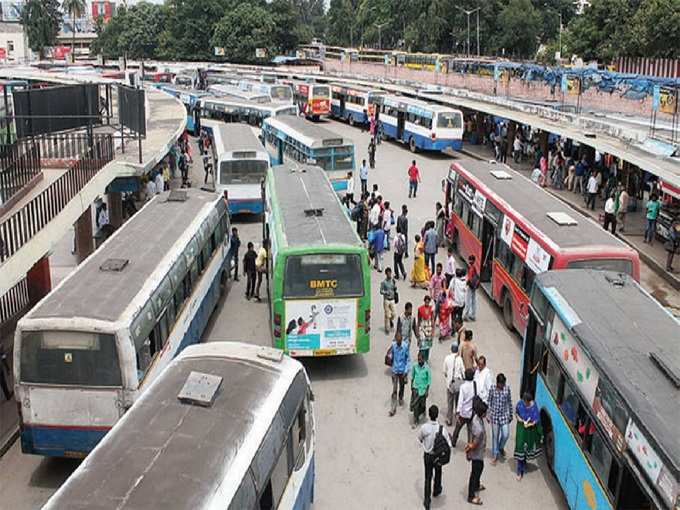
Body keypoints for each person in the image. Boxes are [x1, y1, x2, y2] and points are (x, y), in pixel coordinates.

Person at [417, 405, 451, 510]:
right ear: (437, 416)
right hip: (437, 455)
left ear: (429, 414)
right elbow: (448, 444)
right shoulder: (442, 429)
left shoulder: (424, 428)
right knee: (438, 472)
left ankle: (427, 501)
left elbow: (419, 439)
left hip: (427, 456)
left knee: (427, 477)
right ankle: (436, 490)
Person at [514, 392, 543, 481]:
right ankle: (519, 471)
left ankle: (524, 462)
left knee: (526, 450)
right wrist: (519, 418)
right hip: (521, 431)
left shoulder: (534, 407)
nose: (524, 403)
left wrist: (532, 423)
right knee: (520, 449)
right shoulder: (520, 404)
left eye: (526, 402)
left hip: (530, 432)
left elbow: (537, 420)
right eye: (524, 401)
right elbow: (516, 413)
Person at [465, 400, 488, 505]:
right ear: (482, 414)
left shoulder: (476, 418)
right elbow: (474, 444)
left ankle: (477, 485)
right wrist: (469, 448)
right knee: (475, 472)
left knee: (479, 468)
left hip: (479, 452)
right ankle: (471, 496)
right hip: (477, 453)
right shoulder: (479, 430)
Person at [488, 373, 513, 465]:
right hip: (494, 416)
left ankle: (501, 447)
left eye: (503, 384)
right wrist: (488, 414)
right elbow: (489, 401)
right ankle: (495, 455)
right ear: (497, 383)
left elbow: (509, 402)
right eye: (501, 384)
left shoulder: (507, 389)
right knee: (495, 436)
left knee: (506, 434)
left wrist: (510, 414)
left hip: (504, 416)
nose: (502, 386)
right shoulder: (492, 389)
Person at [451, 368, 475, 447]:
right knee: (470, 430)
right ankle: (469, 444)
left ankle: (453, 442)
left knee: (457, 428)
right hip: (471, 412)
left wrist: (457, 412)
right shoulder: (475, 385)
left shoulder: (463, 387)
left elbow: (460, 401)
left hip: (463, 413)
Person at [389, 330, 410, 417]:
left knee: (402, 386)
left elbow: (408, 359)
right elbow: (391, 355)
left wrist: (406, 371)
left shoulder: (405, 347)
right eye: (397, 341)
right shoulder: (393, 346)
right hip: (395, 370)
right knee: (394, 389)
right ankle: (393, 408)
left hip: (402, 371)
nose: (398, 343)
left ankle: (401, 397)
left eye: (400, 341)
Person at [443, 342, 465, 426]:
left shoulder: (447, 358)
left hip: (450, 384)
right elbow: (463, 371)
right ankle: (457, 418)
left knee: (450, 402)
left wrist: (448, 377)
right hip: (458, 384)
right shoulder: (459, 359)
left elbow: (444, 371)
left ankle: (449, 419)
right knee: (458, 402)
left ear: (451, 349)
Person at [410, 351, 431, 427]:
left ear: (424, 360)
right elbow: (412, 377)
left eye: (420, 360)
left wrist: (427, 391)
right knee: (415, 405)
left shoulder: (427, 368)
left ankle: (422, 411)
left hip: (423, 390)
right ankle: (416, 420)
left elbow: (429, 381)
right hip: (416, 388)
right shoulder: (415, 366)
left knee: (422, 405)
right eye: (418, 359)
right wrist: (412, 386)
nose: (419, 361)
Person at [417, 295, 435, 361]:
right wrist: (417, 332)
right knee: (422, 345)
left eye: (428, 300)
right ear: (424, 301)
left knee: (428, 346)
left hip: (429, 329)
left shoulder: (431, 309)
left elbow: (433, 320)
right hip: (422, 328)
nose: (427, 302)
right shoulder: (420, 309)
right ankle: (421, 358)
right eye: (426, 300)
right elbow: (418, 320)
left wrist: (433, 331)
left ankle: (426, 359)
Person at [380, 268, 397, 333]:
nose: (389, 274)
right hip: (386, 300)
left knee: (394, 314)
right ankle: (387, 328)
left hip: (392, 299)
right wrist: (386, 292)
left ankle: (391, 320)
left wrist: (395, 288)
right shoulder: (383, 282)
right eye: (388, 273)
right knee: (387, 315)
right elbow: (381, 291)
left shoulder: (393, 280)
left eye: (390, 273)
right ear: (386, 274)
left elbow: (395, 288)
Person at [463, 255, 479, 321]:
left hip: (470, 286)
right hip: (474, 286)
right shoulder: (474, 267)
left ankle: (466, 315)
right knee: (473, 300)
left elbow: (469, 278)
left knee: (468, 300)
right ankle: (473, 315)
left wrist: (466, 283)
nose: (470, 261)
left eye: (471, 260)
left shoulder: (471, 268)